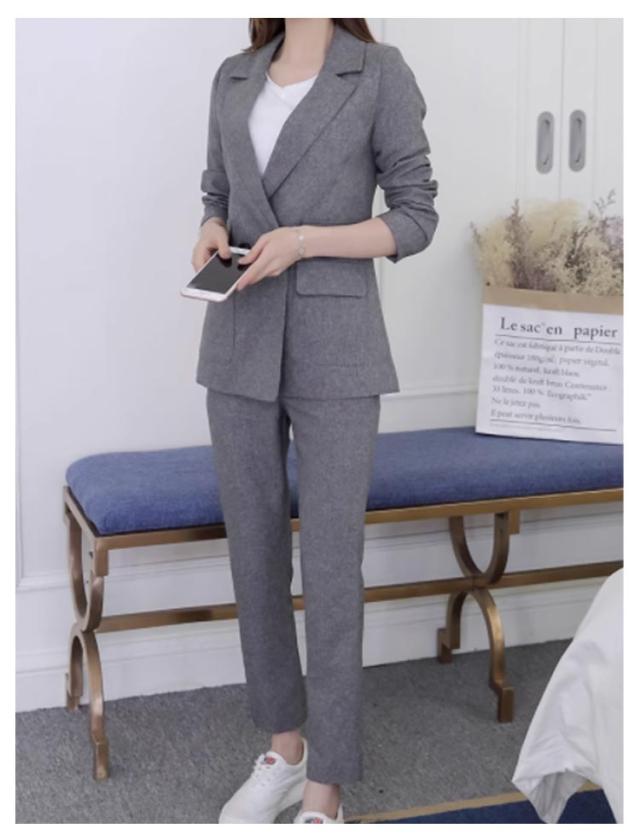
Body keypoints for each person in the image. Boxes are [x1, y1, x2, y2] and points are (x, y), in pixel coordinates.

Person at [191, 17, 439, 824]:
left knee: (332, 566)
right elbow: (217, 193)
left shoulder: (378, 71)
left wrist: (303, 241)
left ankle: (327, 781)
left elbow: (414, 217)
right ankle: (286, 749)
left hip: (338, 344)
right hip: (238, 334)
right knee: (255, 554)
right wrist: (211, 231)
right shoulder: (234, 75)